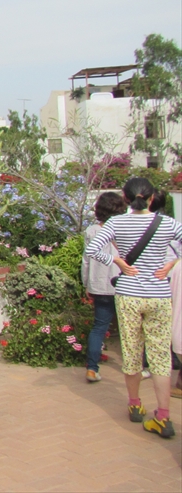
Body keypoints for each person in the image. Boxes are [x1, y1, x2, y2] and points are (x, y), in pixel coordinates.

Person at [85, 177, 182, 439]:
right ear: (151, 198)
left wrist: (117, 260)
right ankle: (163, 416)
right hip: (159, 295)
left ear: (126, 198)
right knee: (160, 357)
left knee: (131, 351)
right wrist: (172, 264)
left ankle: (135, 404)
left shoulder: (116, 223)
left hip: (129, 293)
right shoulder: (167, 223)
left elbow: (92, 249)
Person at [81, 191, 127, 382]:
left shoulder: (92, 231)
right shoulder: (126, 230)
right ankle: (137, 367)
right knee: (130, 328)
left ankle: (92, 368)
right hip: (124, 284)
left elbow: (86, 260)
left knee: (99, 326)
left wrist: (86, 283)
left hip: (99, 284)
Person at [148, 191, 182, 399]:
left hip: (154, 280)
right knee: (173, 320)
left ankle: (158, 360)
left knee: (157, 322)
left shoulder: (139, 224)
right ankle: (173, 359)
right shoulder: (172, 224)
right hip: (172, 276)